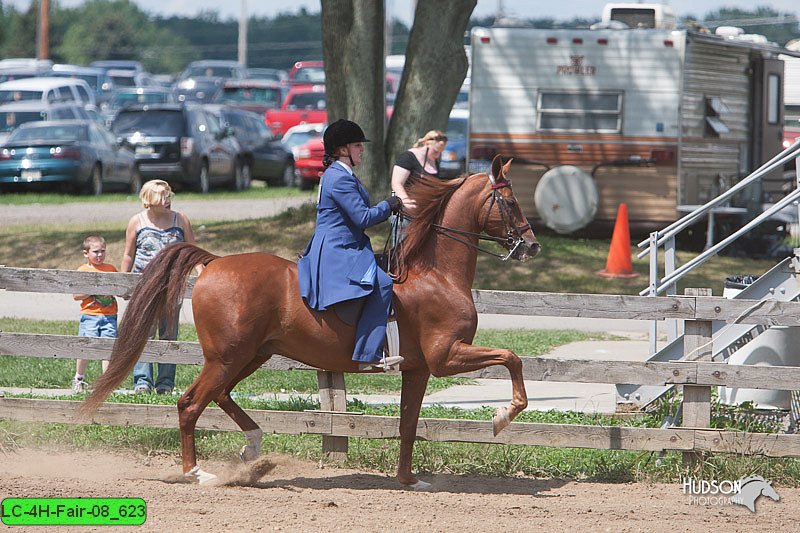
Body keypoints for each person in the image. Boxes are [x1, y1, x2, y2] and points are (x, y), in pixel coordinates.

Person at [297, 119, 404, 371]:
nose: (362, 150)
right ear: (342, 150)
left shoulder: (340, 174)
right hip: (339, 247)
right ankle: (369, 354)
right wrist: (389, 205)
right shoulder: (339, 178)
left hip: (343, 242)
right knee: (384, 283)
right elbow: (363, 218)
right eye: (357, 145)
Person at [121, 179, 201, 394]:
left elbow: (193, 249)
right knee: (142, 334)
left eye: (169, 197)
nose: (168, 201)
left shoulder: (180, 220)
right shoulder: (136, 222)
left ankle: (165, 383)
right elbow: (129, 254)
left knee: (168, 334)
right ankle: (142, 382)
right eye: (163, 197)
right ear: (151, 201)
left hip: (172, 287)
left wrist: (202, 273)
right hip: (143, 287)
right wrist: (123, 283)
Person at [71, 235, 117, 393]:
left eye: (103, 251)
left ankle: (106, 383)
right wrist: (93, 288)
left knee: (108, 348)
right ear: (86, 253)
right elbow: (76, 295)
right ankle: (79, 377)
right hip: (90, 315)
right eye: (96, 252)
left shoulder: (110, 269)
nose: (100, 255)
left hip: (109, 315)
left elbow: (120, 287)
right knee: (86, 347)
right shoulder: (83, 270)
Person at [390, 129, 448, 212]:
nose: (437, 155)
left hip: (426, 209)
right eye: (435, 151)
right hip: (406, 210)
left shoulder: (434, 160)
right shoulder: (408, 157)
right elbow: (397, 184)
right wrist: (407, 202)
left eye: (440, 152)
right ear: (426, 144)